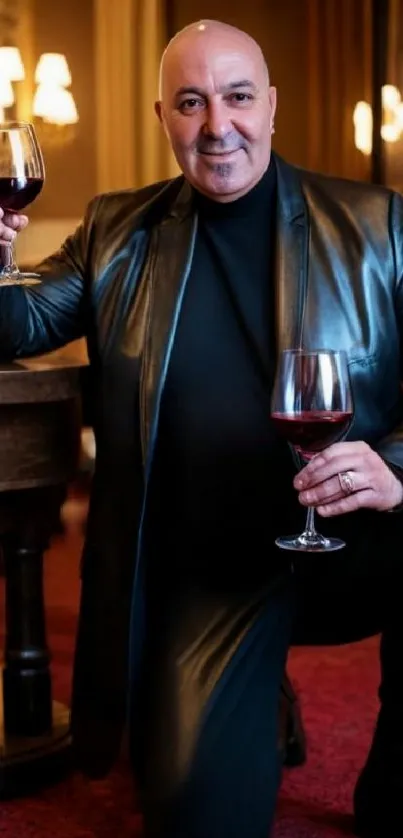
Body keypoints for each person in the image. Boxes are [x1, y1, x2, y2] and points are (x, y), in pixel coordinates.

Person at [1, 18, 403, 838]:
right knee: (193, 818)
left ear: (272, 105)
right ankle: (255, 692)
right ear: (163, 117)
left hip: (365, 537)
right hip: (216, 566)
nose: (217, 125)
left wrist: (398, 466)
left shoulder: (377, 224)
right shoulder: (116, 230)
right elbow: (20, 320)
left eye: (237, 97)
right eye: (191, 102)